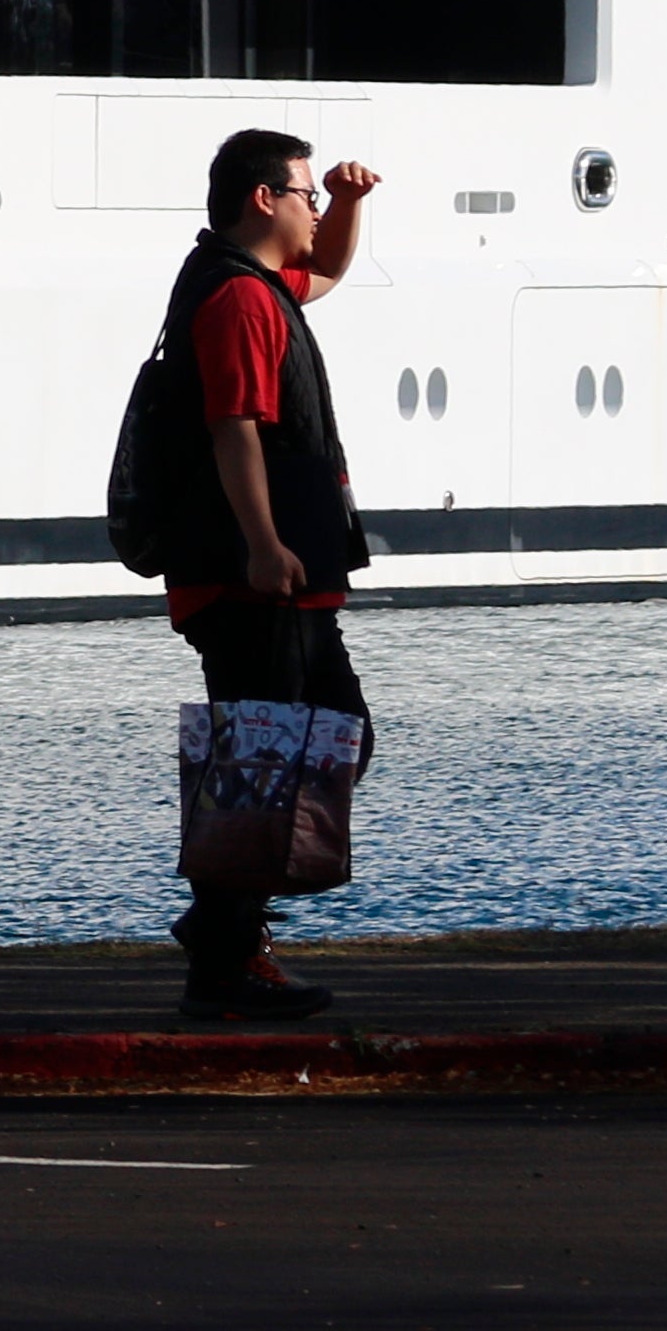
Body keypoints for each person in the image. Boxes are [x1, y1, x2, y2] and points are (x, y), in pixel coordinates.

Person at [141, 124, 378, 1021]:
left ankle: (222, 929)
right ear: (264, 200)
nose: (317, 208)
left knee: (324, 740)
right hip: (257, 581)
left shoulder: (254, 286)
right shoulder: (237, 301)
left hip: (280, 578)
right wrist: (263, 542)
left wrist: (350, 209)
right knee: (265, 763)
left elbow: (325, 275)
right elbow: (234, 427)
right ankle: (226, 958)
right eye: (310, 194)